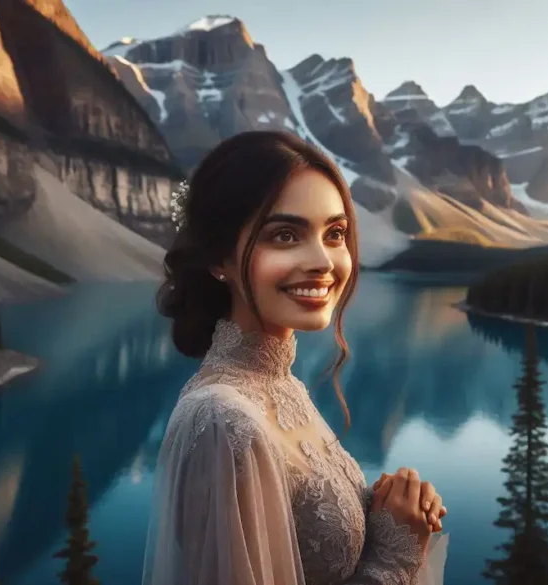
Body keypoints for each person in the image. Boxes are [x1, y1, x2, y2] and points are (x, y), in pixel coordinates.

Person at [144, 131, 449, 585]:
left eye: (335, 233)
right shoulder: (222, 420)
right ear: (218, 257)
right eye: (286, 235)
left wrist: (386, 510)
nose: (323, 261)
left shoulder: (278, 385)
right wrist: (393, 559)